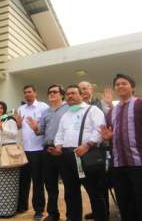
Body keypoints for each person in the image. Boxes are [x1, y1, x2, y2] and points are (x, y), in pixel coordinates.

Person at [100, 74, 142, 221]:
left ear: (132, 87)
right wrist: (109, 138)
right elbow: (110, 132)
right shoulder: (112, 111)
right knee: (125, 203)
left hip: (141, 163)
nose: (120, 86)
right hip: (118, 165)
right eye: (117, 84)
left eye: (124, 83)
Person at [54, 85, 107, 221]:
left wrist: (88, 145)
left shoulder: (92, 110)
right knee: (70, 192)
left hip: (86, 155)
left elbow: (99, 130)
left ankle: (101, 218)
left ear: (81, 95)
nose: (70, 96)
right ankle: (73, 218)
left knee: (95, 192)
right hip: (67, 157)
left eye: (73, 93)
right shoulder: (65, 115)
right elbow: (60, 134)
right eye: (68, 94)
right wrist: (58, 146)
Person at [31, 84, 69, 221]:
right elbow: (40, 131)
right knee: (50, 184)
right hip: (47, 150)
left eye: (55, 92)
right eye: (49, 92)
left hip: (64, 150)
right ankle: (53, 214)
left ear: (62, 94)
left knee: (69, 184)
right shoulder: (46, 111)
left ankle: (71, 215)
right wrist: (35, 128)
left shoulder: (68, 108)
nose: (51, 94)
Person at [78, 81, 113, 220]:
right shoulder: (76, 107)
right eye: (80, 89)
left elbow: (109, 118)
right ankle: (97, 211)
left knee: (101, 184)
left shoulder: (99, 104)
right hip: (83, 151)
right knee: (90, 184)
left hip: (100, 149)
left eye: (85, 88)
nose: (83, 91)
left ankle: (105, 214)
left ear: (91, 89)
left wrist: (109, 105)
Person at [16, 85, 49, 221]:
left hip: (38, 150)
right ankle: (22, 206)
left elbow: (47, 126)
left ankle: (39, 210)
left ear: (35, 93)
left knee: (37, 182)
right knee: (23, 181)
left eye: (29, 92)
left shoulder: (43, 107)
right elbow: (20, 128)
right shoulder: (21, 109)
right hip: (24, 150)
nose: (27, 94)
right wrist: (18, 124)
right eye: (25, 92)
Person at [0, 101, 20, 218]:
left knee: (11, 184)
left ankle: (10, 210)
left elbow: (14, 134)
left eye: (1, 108)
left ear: (4, 109)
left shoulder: (10, 120)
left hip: (8, 152)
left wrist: (2, 128)